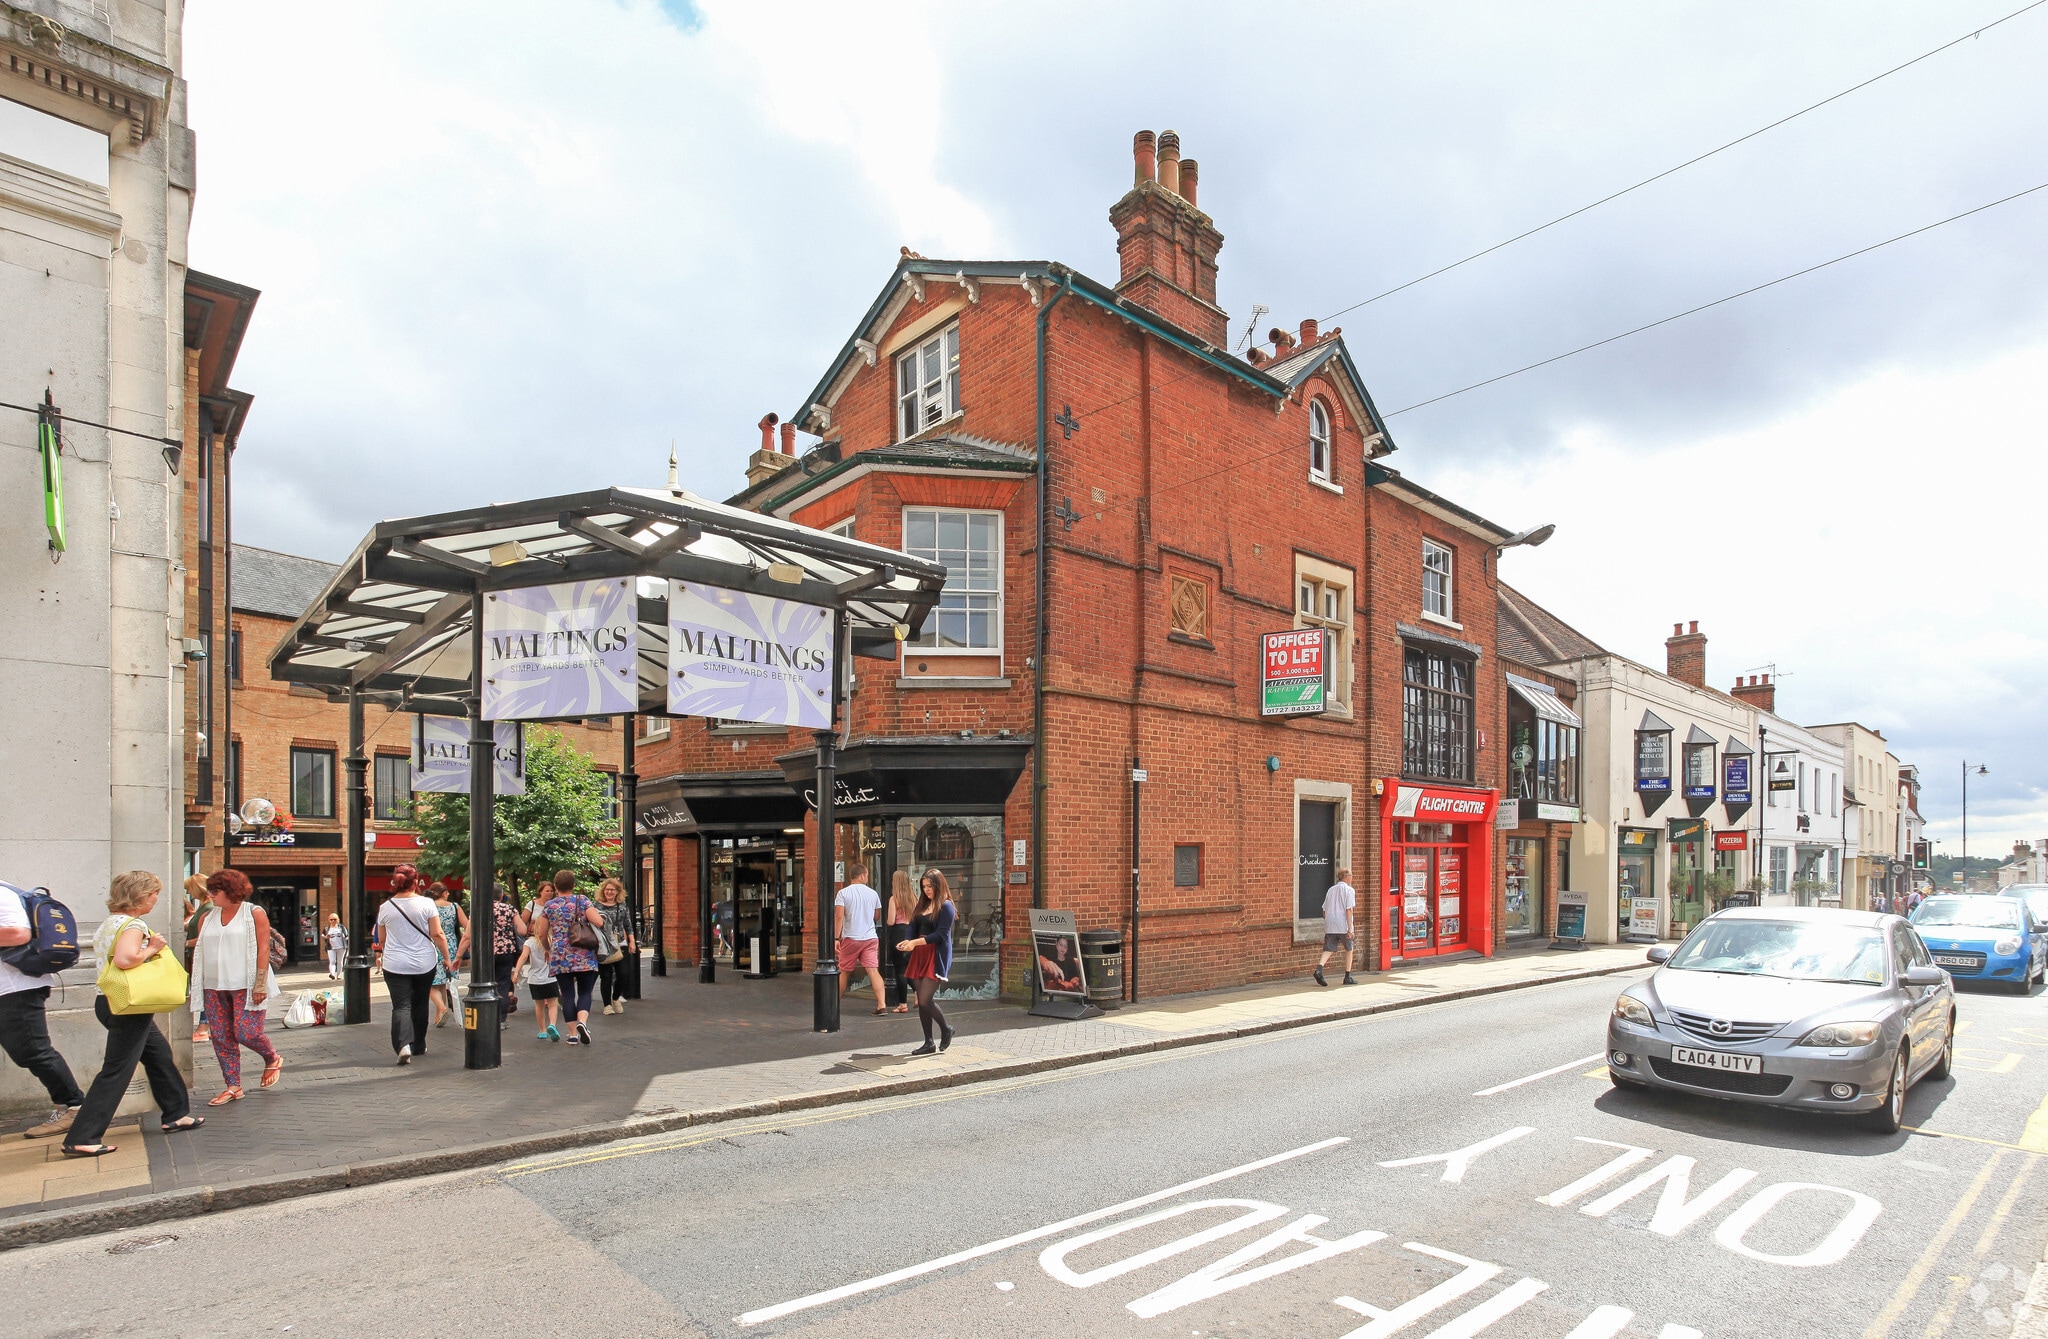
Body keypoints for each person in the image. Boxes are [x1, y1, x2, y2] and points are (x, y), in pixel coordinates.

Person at [63, 871, 200, 1156]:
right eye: (153, 894)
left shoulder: (109, 923)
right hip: (128, 1007)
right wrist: (153, 948)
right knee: (116, 1071)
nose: (155, 900)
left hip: (111, 1001)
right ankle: (83, 1137)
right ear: (139, 895)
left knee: (160, 1056)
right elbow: (126, 960)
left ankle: (177, 1114)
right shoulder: (133, 924)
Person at [0, 878, 87, 1139]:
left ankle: (74, 1107)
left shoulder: (2, 894)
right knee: (29, 1052)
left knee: (32, 1051)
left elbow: (19, 933)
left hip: (16, 988)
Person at [189, 869, 283, 1105]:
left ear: (230, 891)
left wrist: (260, 983)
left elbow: (263, 948)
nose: (210, 895)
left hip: (246, 983)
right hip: (213, 984)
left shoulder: (253, 913)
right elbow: (203, 948)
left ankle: (272, 1057)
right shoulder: (206, 917)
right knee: (221, 1036)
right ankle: (233, 1086)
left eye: (215, 891)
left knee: (246, 1032)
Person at [373, 864, 450, 1065]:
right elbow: (437, 934)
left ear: (395, 882)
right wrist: (447, 957)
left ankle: (403, 1045)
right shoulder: (427, 904)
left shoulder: (385, 907)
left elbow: (382, 939)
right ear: (415, 882)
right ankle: (419, 1045)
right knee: (419, 1003)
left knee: (401, 1005)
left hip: (395, 964)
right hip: (424, 962)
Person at [532, 870, 603, 1045]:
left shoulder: (549, 906)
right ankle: (582, 1022)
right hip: (584, 954)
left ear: (555, 887)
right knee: (585, 992)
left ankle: (572, 1035)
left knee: (567, 994)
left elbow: (541, 934)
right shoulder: (583, 901)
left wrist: (549, 949)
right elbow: (599, 922)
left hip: (560, 955)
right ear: (573, 885)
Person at [896, 868, 957, 1055]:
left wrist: (914, 942)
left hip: (934, 954)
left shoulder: (946, 906)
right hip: (919, 954)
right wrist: (908, 941)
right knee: (922, 1001)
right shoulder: (922, 904)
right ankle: (928, 1042)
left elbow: (940, 935)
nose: (927, 890)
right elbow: (912, 925)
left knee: (924, 1000)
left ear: (938, 885)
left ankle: (946, 1029)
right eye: (924, 887)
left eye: (930, 886)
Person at [455, 882, 526, 1030]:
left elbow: (467, 936)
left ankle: (485, 1016)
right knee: (503, 984)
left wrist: (459, 956)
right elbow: (522, 930)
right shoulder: (509, 909)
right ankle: (500, 1019)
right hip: (506, 951)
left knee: (483, 984)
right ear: (501, 895)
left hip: (484, 953)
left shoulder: (478, 910)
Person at [834, 862, 886, 1013]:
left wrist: (836, 938)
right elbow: (877, 916)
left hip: (851, 937)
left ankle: (834, 1004)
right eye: (867, 875)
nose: (868, 878)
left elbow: (839, 916)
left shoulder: (843, 893)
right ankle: (881, 1004)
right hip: (870, 938)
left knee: (844, 971)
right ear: (862, 875)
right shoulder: (873, 894)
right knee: (873, 970)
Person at [594, 877, 636, 1017]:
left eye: (612, 890)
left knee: (624, 973)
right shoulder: (596, 906)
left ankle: (616, 997)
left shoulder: (622, 905)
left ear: (618, 891)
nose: (609, 892)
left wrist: (632, 941)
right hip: (603, 944)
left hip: (620, 942)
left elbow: (628, 924)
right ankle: (607, 1005)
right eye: (607, 889)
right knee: (605, 976)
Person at [428, 882, 468, 1029]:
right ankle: (439, 1014)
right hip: (451, 944)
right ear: (444, 892)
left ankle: (441, 1008)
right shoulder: (454, 907)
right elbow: (467, 925)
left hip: (433, 943)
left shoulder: (429, 906)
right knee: (445, 980)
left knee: (430, 980)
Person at [181, 875, 212, 1043]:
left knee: (204, 991)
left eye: (188, 888)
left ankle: (203, 1027)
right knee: (203, 990)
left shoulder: (209, 907)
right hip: (198, 956)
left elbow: (204, 937)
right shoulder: (203, 907)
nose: (187, 892)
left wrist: (184, 943)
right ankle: (208, 1026)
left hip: (203, 956)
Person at [1315, 868, 1357, 987]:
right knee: (1349, 948)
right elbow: (1349, 910)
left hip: (1330, 924)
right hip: (1343, 924)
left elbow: (1324, 910)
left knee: (1329, 949)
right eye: (1351, 875)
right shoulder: (1349, 890)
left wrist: (1329, 920)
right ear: (1347, 877)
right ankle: (1347, 976)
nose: (1352, 877)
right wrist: (1350, 929)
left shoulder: (1331, 890)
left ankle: (1319, 969)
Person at [514, 932, 560, 1040]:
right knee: (552, 1004)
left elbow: (524, 956)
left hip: (534, 979)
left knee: (539, 1005)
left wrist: (516, 972)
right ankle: (552, 1025)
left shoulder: (529, 942)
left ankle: (542, 1030)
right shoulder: (552, 940)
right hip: (550, 977)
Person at [885, 870, 916, 1013]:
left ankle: (903, 1004)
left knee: (901, 971)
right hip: (911, 934)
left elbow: (891, 921)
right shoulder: (914, 897)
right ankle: (919, 995)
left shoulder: (894, 899)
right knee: (910, 968)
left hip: (898, 933)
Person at [324, 912, 347, 980]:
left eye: (335, 919)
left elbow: (347, 936)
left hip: (341, 947)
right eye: (331, 919)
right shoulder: (326, 928)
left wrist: (345, 940)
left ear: (338, 920)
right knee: (332, 961)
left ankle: (339, 975)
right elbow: (323, 937)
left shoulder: (342, 928)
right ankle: (332, 974)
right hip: (331, 947)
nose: (333, 921)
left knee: (340, 961)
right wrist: (326, 937)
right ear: (329, 920)